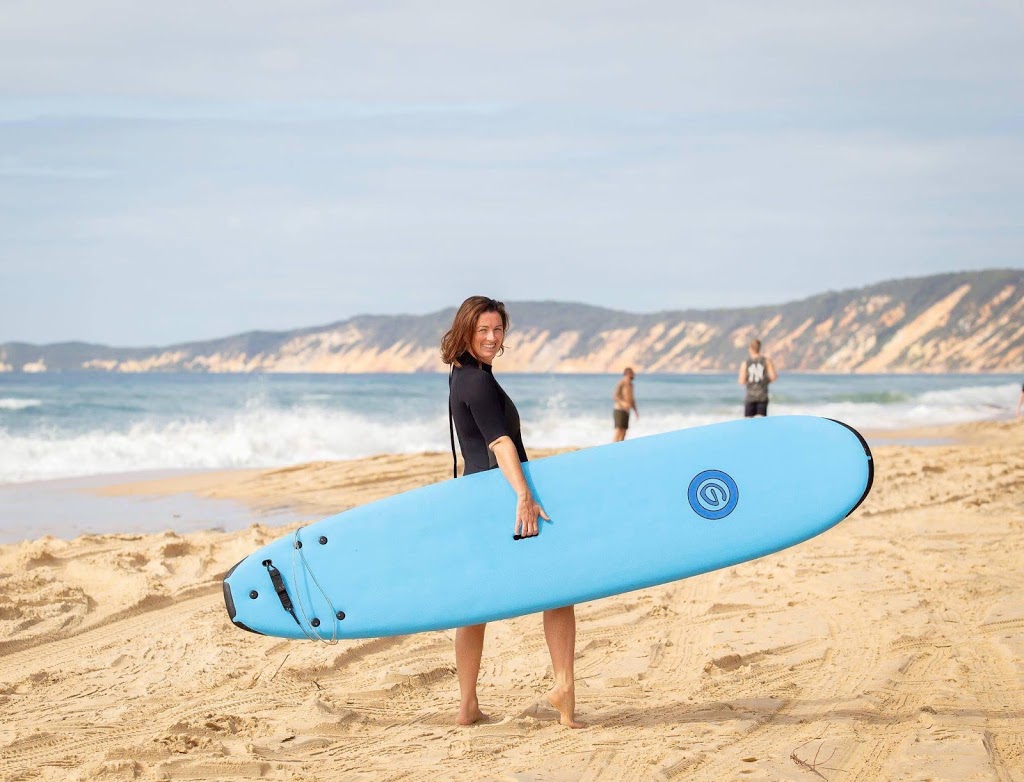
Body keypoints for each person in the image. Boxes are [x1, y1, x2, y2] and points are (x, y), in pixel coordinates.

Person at [440, 295, 583, 729]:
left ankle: (467, 706)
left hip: (477, 496)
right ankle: (563, 690)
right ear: (466, 330)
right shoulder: (478, 382)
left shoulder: (463, 376)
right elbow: (499, 443)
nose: (491, 337)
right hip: (502, 496)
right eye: (483, 329)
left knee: (475, 604)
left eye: (498, 330)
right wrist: (523, 495)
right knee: (558, 589)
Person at [738, 338, 777, 417]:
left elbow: (741, 381)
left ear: (750, 349)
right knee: (761, 423)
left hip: (750, 396)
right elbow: (773, 377)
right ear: (759, 348)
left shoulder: (746, 363)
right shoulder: (766, 361)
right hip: (762, 396)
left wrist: (750, 382)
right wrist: (764, 382)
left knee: (748, 423)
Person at [612, 367, 639, 442]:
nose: (634, 375)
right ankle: (612, 448)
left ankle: (619, 449)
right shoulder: (621, 383)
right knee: (619, 431)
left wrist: (636, 411)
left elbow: (632, 399)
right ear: (627, 374)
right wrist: (623, 403)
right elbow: (615, 396)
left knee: (624, 431)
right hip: (619, 410)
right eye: (632, 374)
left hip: (627, 411)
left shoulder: (631, 385)